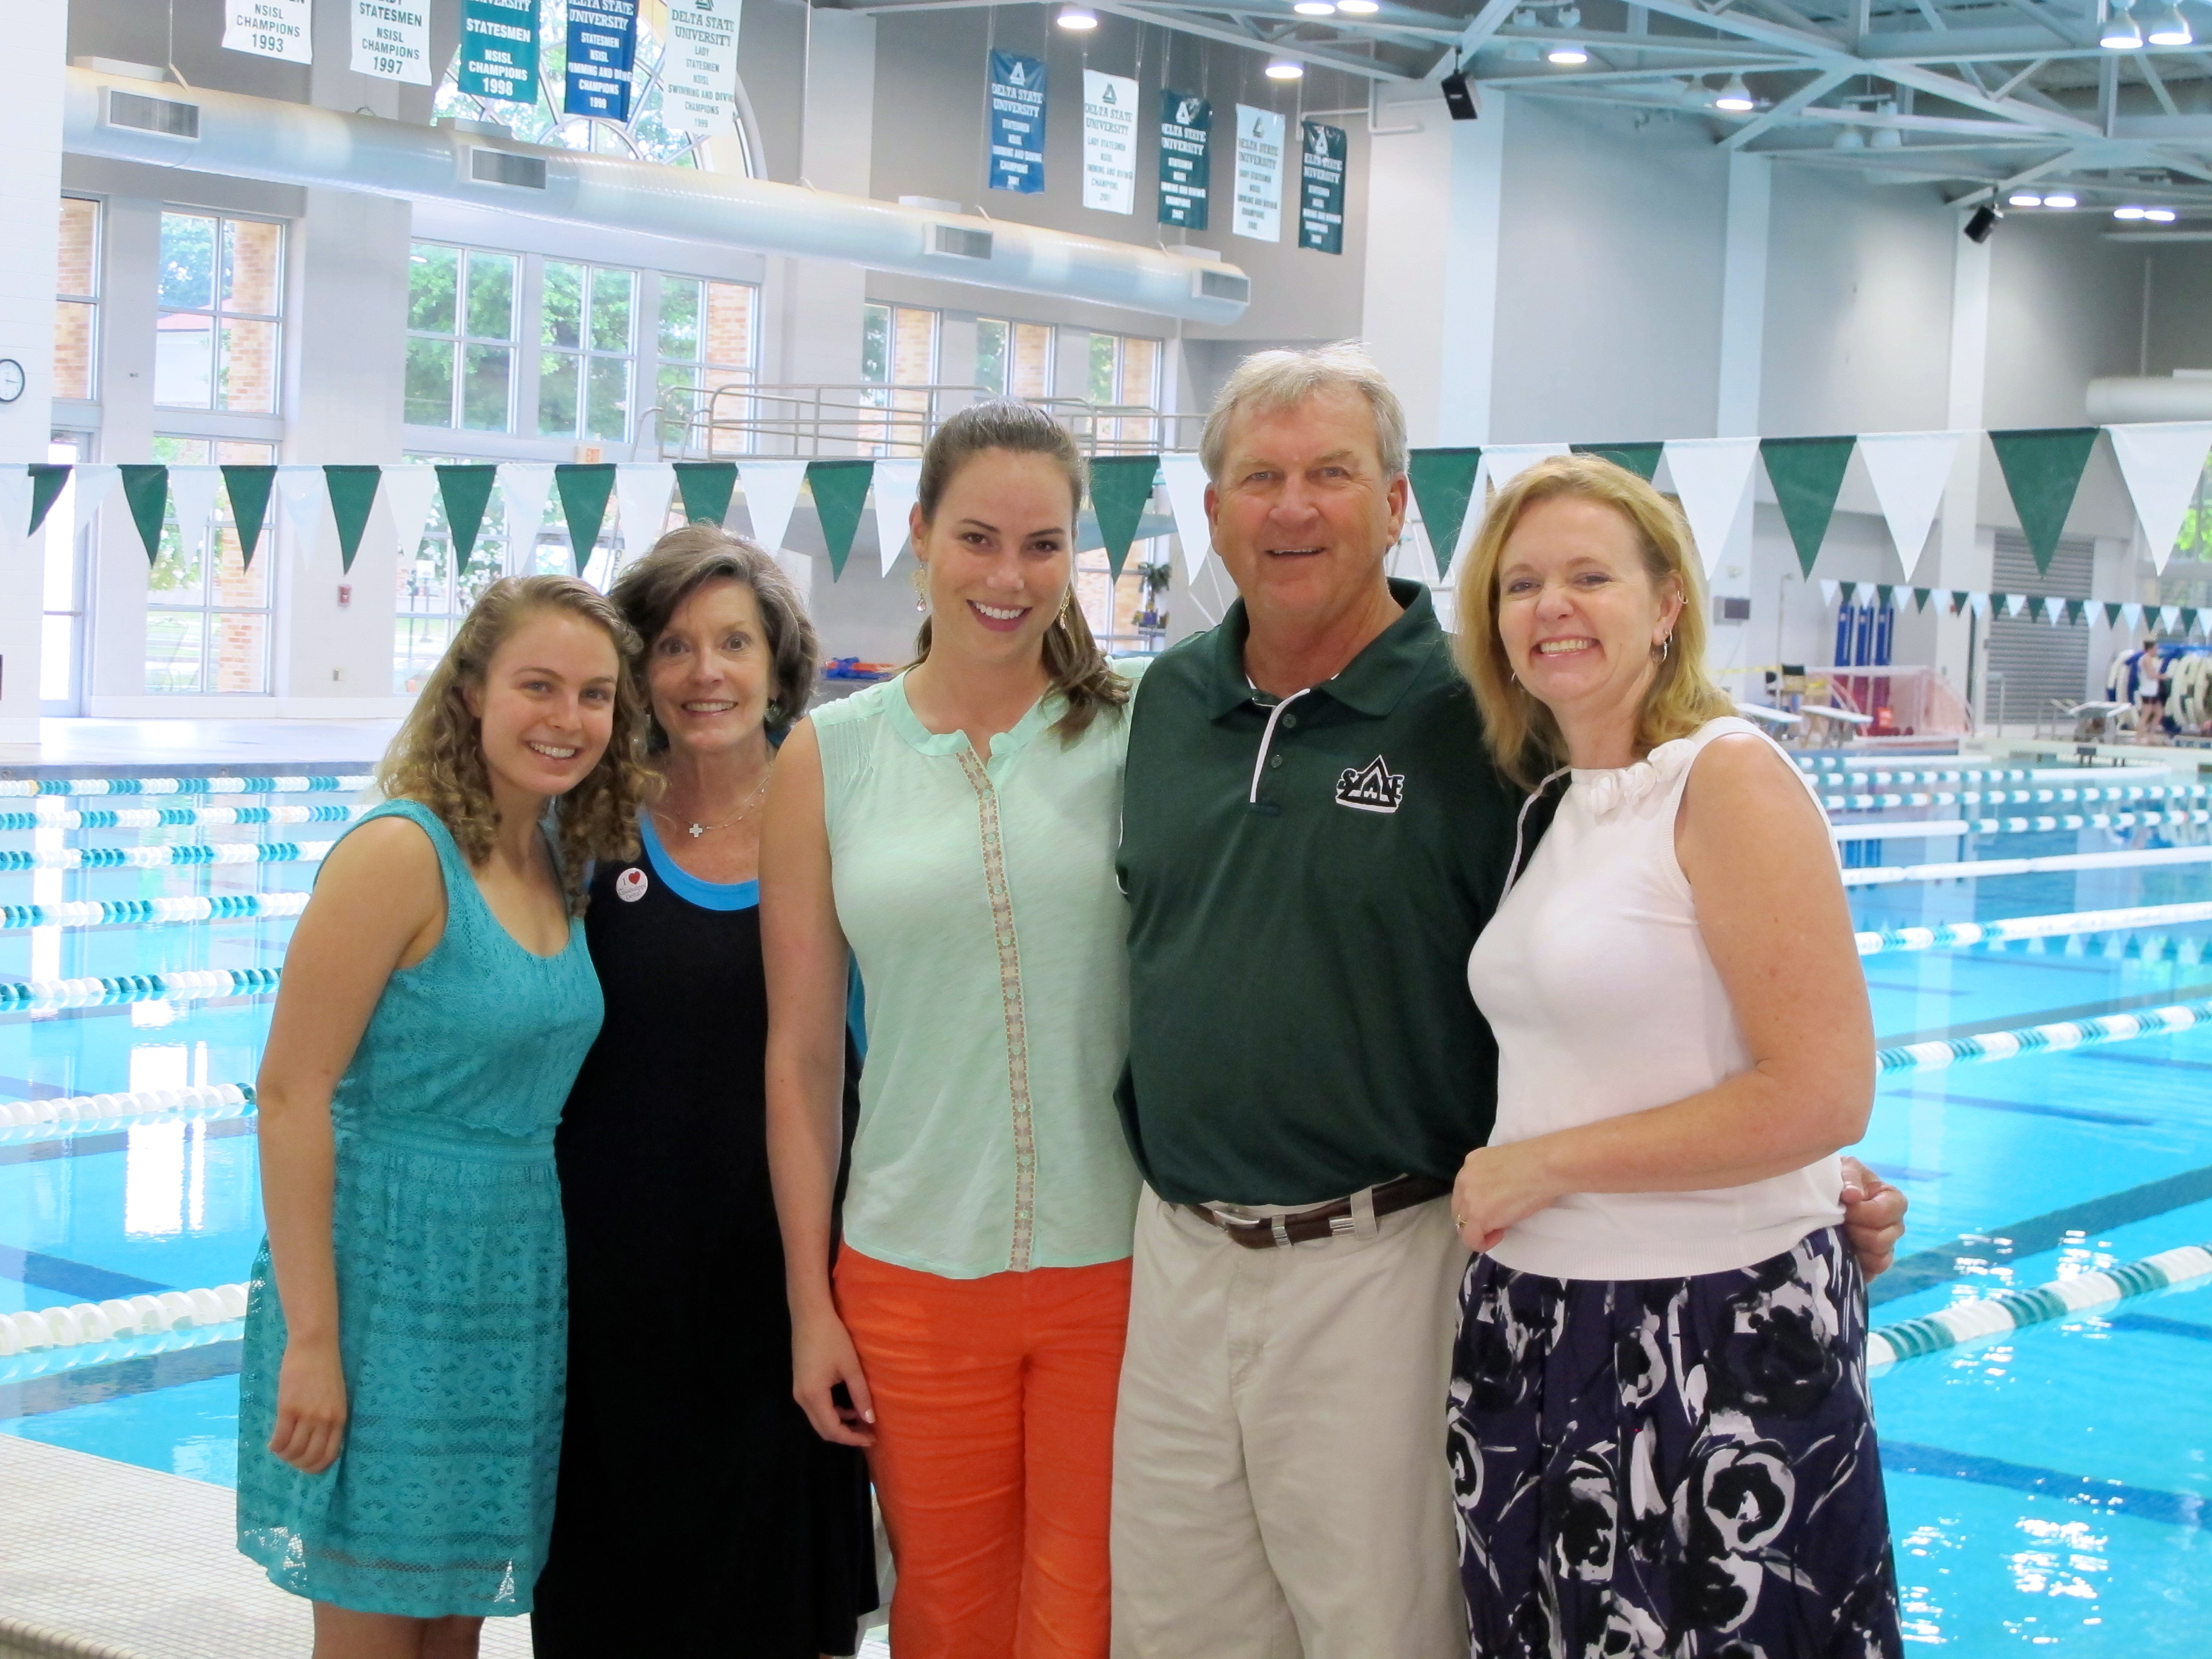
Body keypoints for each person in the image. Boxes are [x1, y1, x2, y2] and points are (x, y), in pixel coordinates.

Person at [1108, 343, 1908, 1658]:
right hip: (1210, 1262)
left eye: (1331, 473)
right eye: (1260, 477)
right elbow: (1595, 999)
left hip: (1407, 1258)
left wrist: (1815, 1168)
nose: (1293, 507)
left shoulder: (1501, 720)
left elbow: (1767, 1029)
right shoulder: (1174, 702)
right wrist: (1799, 1151)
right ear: (1212, 511)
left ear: (1395, 502)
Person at [1445, 452, 1903, 1655]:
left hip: (1712, 1330)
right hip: (1542, 1326)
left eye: (1590, 575)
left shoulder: (1728, 776)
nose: (1550, 607)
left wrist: (1542, 1167)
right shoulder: (1556, 809)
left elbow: (1825, 1090)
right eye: (1520, 583)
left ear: (1666, 605)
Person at [763, 401, 1145, 1659]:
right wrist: (811, 1302)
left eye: (1043, 545)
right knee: (947, 1612)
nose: (1008, 577)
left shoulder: (1133, 733)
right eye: (977, 538)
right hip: (911, 1269)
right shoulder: (831, 754)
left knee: (1088, 1612)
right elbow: (807, 1057)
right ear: (921, 533)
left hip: (1119, 1262)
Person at [238, 575, 651, 1659]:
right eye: (539, 686)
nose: (568, 720)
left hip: (503, 1283)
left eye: (596, 696)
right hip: (382, 1282)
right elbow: (289, 1096)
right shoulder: (399, 854)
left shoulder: (553, 855)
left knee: (452, 1637)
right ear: (470, 692)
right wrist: (314, 1342)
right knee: (375, 1633)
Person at [531, 529, 878, 1658]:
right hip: (609, 1284)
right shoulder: (584, 819)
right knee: (606, 1596)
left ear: (778, 662)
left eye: (733, 642)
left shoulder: (839, 814)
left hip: (783, 1275)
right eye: (673, 646)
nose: (704, 672)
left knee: (771, 1604)